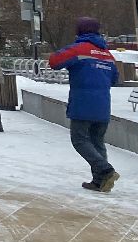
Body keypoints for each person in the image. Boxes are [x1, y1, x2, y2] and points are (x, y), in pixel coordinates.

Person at [48, 16, 121, 192]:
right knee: (97, 141)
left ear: (80, 31)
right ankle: (100, 182)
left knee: (79, 139)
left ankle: (105, 170)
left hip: (83, 103)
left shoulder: (79, 49)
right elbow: (115, 78)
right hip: (103, 105)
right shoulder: (107, 54)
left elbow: (54, 62)